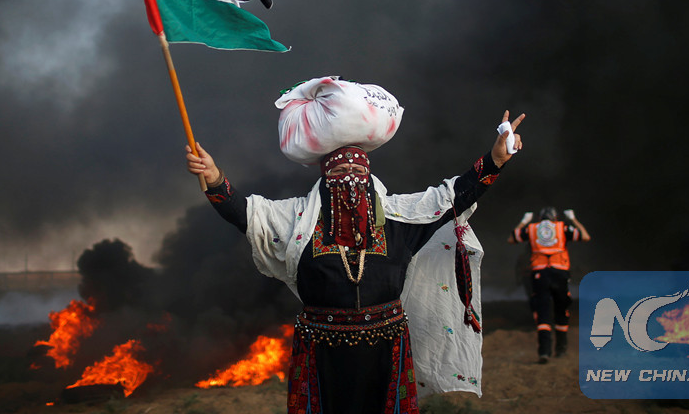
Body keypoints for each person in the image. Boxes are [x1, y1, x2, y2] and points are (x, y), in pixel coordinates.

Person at [186, 97, 524, 414]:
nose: (349, 181)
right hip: (322, 351)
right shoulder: (297, 220)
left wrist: (495, 159)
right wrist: (214, 178)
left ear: (370, 179)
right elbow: (245, 214)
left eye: (359, 173)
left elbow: (453, 196)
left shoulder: (401, 219)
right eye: (337, 174)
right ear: (323, 181)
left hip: (386, 349)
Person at [507, 207, 590, 363]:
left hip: (540, 274)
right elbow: (585, 236)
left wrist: (524, 221)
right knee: (561, 310)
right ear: (555, 217)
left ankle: (544, 352)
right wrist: (573, 219)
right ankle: (561, 349)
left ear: (539, 218)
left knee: (542, 312)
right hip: (560, 273)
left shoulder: (532, 229)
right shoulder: (562, 228)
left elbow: (512, 239)